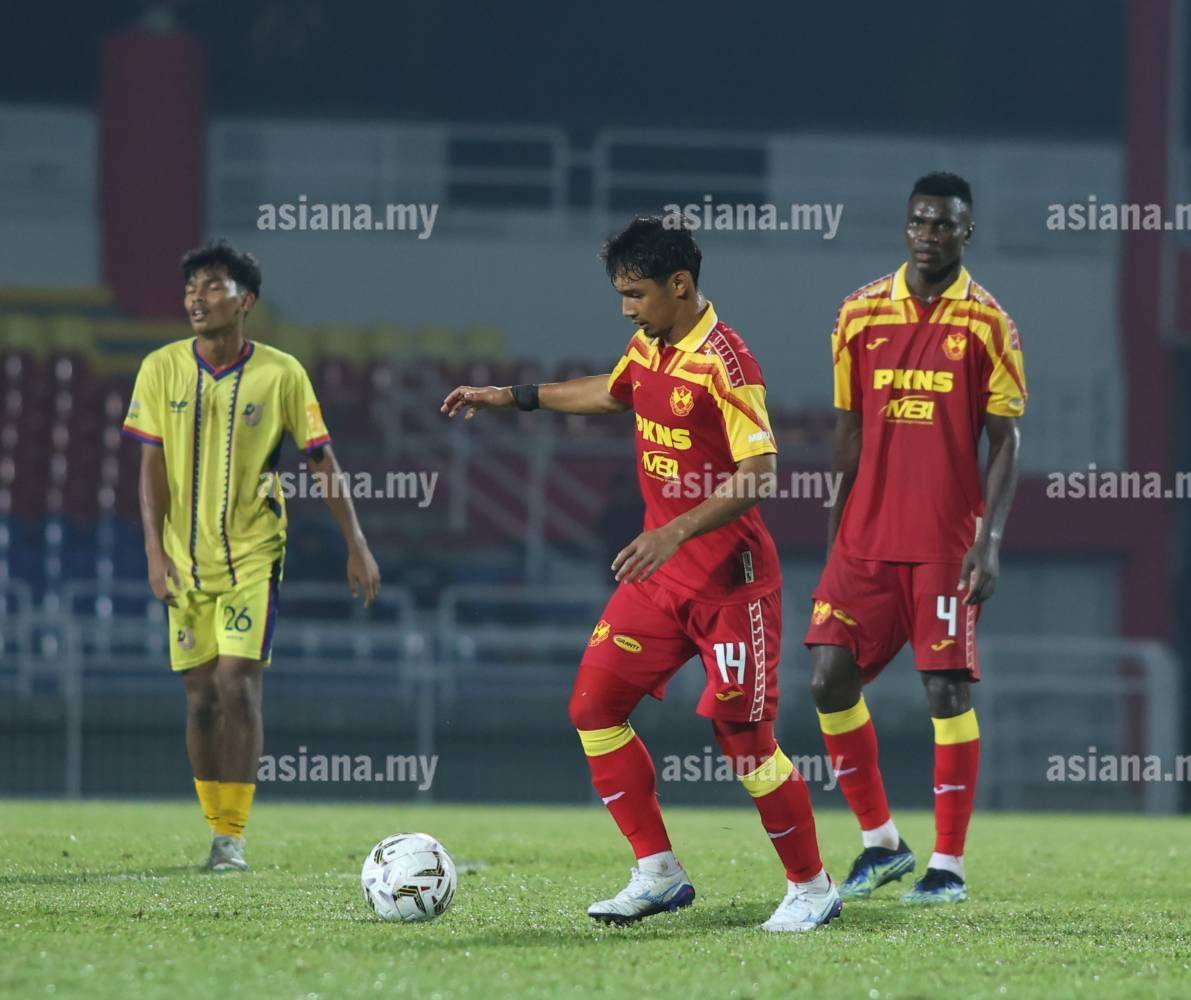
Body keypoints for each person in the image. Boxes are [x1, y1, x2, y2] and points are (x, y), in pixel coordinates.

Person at [442, 217, 839, 931]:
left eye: (636, 294)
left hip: (730, 585)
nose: (626, 308)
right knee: (593, 707)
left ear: (679, 285)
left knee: (745, 744)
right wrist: (510, 395)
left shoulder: (727, 362)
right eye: (621, 294)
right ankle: (658, 871)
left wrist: (675, 529)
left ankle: (812, 887)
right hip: (659, 579)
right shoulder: (651, 344)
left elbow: (761, 474)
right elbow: (612, 390)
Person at [122, 240, 381, 871]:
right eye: (191, 288)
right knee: (200, 698)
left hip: (254, 556)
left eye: (213, 286)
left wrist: (356, 543)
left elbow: (321, 458)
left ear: (246, 301)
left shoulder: (282, 373)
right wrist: (154, 552)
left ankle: (230, 837)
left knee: (237, 684)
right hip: (184, 561)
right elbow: (150, 467)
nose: (197, 298)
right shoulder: (159, 368)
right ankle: (216, 823)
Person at [805, 173, 1026, 903]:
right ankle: (882, 844)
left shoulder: (989, 324)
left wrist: (990, 541)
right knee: (827, 678)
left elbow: (1006, 440)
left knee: (944, 690)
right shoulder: (859, 312)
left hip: (943, 539)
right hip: (864, 537)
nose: (928, 235)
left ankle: (948, 867)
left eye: (943, 224)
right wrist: (835, 526)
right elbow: (848, 430)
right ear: (906, 226)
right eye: (919, 222)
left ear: (967, 233)